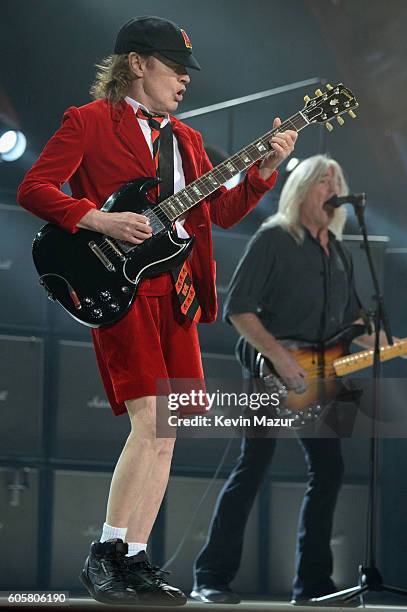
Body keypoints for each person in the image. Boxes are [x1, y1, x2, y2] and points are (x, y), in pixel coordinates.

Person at [17, 15, 298, 606]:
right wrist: (98, 218)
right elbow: (35, 188)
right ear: (137, 63)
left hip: (180, 297)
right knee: (148, 422)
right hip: (120, 289)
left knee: (167, 431)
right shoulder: (89, 122)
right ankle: (106, 553)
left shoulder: (188, 142)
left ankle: (136, 558)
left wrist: (265, 170)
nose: (184, 81)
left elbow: (217, 216)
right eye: (175, 68)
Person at [191, 154, 396, 605]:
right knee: (254, 465)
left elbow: (351, 326)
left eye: (337, 180)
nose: (332, 188)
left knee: (329, 470)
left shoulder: (340, 251)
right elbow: (238, 309)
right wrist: (280, 357)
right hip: (273, 368)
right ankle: (210, 577)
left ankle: (313, 586)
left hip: (322, 375)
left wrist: (380, 341)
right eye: (324, 181)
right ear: (302, 189)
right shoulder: (274, 239)